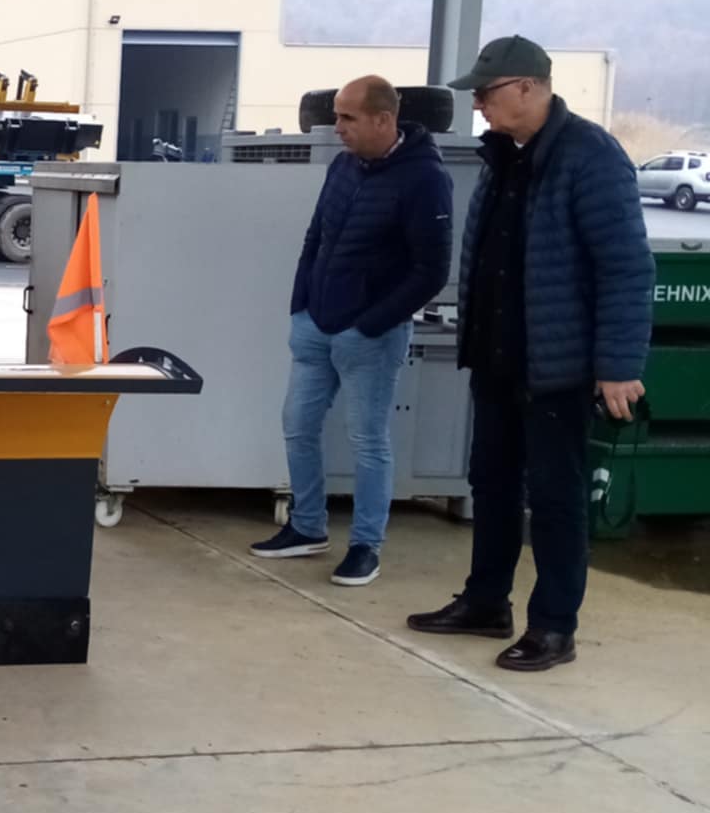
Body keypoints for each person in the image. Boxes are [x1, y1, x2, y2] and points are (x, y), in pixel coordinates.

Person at [407, 36, 652, 671]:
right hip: (498, 358)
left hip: (557, 368)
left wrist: (618, 365)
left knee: (555, 498)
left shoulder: (590, 156)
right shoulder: (505, 157)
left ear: (526, 87)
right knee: (490, 484)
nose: (478, 106)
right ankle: (486, 602)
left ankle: (554, 627)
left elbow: (626, 267)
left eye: (485, 94)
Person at [251, 76, 454, 585]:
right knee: (297, 424)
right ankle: (307, 527)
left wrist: (370, 325)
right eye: (336, 115)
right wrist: (301, 307)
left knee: (368, 440)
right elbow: (315, 238)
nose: (336, 126)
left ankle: (366, 546)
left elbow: (431, 271)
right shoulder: (343, 166)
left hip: (371, 338)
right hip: (315, 326)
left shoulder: (425, 179)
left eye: (347, 118)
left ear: (383, 120)